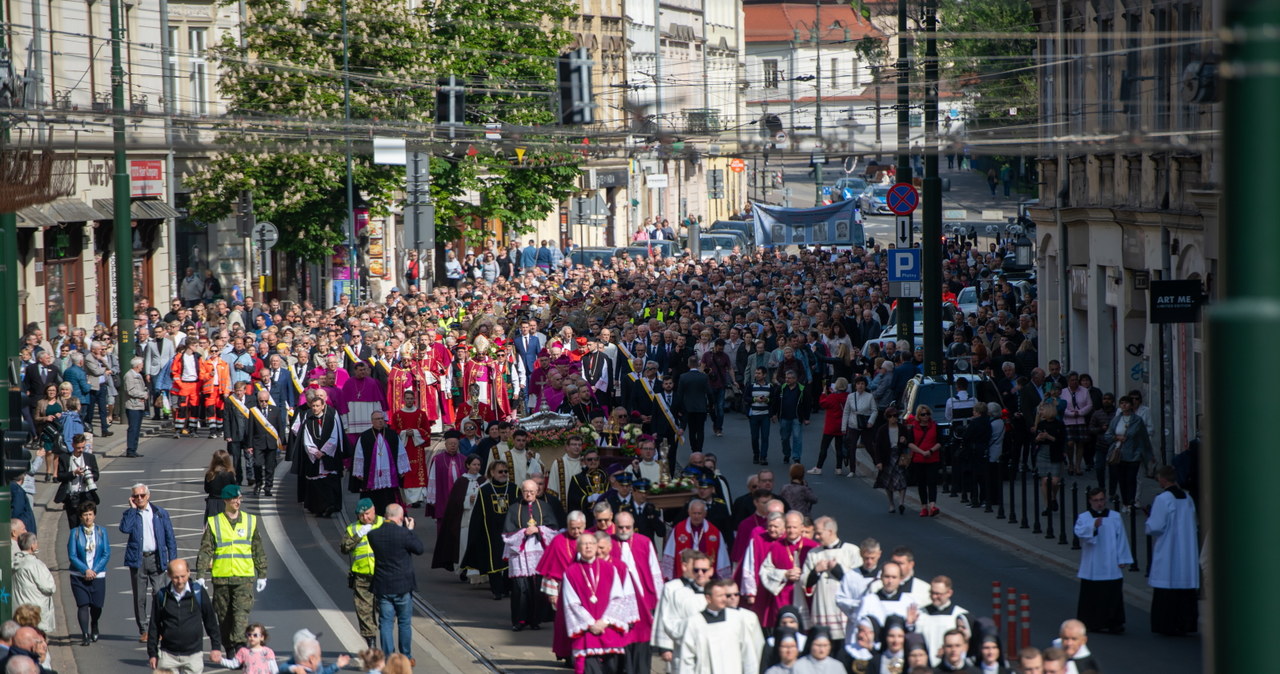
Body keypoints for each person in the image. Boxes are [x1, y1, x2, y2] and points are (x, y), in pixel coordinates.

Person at [196, 484, 268, 655]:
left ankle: (239, 647)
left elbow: (257, 548)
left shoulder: (250, 521)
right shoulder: (214, 522)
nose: (237, 501)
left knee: (241, 615)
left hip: (244, 577)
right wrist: (200, 576)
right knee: (224, 616)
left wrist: (262, 573)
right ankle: (228, 646)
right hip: (221, 577)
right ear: (225, 501)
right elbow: (206, 550)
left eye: (239, 498)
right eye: (234, 498)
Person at [561, 533, 636, 673]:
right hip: (586, 632)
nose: (588, 546)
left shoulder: (610, 569)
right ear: (578, 548)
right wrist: (591, 624)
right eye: (584, 544)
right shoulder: (571, 572)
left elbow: (618, 598)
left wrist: (605, 621)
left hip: (608, 629)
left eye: (591, 543)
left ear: (596, 547)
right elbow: (571, 604)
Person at [366, 504, 424, 665]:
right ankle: (405, 656)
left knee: (385, 622)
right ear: (400, 518)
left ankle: (388, 657)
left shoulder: (373, 535)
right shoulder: (404, 534)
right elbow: (419, 549)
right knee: (404, 622)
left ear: (385, 516)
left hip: (383, 586)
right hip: (403, 586)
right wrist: (410, 530)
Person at [1145, 465, 1200, 635]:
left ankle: (1166, 624)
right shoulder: (1187, 497)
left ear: (1163, 479)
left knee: (1167, 582)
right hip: (1186, 548)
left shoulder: (1163, 499)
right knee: (1184, 585)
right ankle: (1184, 623)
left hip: (1169, 547)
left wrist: (1148, 520)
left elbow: (1155, 527)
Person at [120, 483, 178, 643]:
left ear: (148, 496)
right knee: (139, 597)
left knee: (160, 594)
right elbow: (125, 529)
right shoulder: (131, 514)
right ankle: (144, 630)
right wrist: (132, 509)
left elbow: (170, 538)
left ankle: (158, 628)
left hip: (157, 558)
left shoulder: (159, 513)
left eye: (142, 495)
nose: (139, 499)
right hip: (138, 560)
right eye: (136, 496)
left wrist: (173, 560)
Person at [502, 479, 559, 632]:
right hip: (520, 555)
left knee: (536, 588)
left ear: (537, 492)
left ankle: (535, 620)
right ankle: (519, 621)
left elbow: (554, 530)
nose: (529, 494)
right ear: (522, 491)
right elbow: (507, 534)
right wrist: (523, 533)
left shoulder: (545, 507)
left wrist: (539, 530)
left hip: (539, 553)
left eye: (532, 492)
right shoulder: (514, 508)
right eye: (526, 491)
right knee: (520, 588)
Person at [1073, 487, 1132, 634]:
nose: (1099, 503)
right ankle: (1092, 623)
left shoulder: (1115, 516)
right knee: (1093, 595)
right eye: (1095, 500)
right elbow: (1079, 533)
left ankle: (1114, 623)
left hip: (1111, 562)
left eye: (1101, 500)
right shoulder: (1084, 518)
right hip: (1093, 563)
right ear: (1090, 501)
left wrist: (1123, 558)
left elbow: (1122, 538)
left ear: (1105, 500)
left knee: (1112, 594)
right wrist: (1093, 525)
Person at [147, 559, 222, 673]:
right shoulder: (162, 596)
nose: (180, 581)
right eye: (176, 577)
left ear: (188, 572)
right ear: (169, 575)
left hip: (193, 655)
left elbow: (210, 620)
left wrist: (216, 647)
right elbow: (154, 625)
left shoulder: (198, 593)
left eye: (183, 576)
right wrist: (152, 653)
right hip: (168, 655)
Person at [800, 517, 860, 651]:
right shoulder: (813, 553)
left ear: (830, 531)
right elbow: (804, 582)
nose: (816, 536)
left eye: (819, 533)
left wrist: (837, 569)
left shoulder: (851, 551)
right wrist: (816, 571)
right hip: (821, 607)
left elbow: (858, 583)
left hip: (843, 611)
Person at [678, 579, 763, 674]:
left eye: (724, 595)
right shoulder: (694, 623)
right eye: (720, 596)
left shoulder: (736, 619)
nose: (724, 599)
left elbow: (747, 653)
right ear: (708, 598)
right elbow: (686, 659)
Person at [461, 461, 517, 600]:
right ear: (492, 473)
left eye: (505, 471)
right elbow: (478, 514)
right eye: (500, 471)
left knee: (509, 562)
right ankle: (496, 590)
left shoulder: (514, 489)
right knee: (494, 561)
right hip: (490, 532)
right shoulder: (485, 490)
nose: (503, 474)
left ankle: (506, 588)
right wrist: (476, 534)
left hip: (510, 531)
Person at [290, 389, 347, 518]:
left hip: (328, 456)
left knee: (329, 481)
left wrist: (325, 451)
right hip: (314, 457)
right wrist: (315, 451)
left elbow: (335, 435)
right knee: (316, 484)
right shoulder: (308, 418)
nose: (315, 408)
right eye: (313, 406)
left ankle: (330, 506)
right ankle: (318, 508)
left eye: (317, 406)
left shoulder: (331, 415)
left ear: (323, 405)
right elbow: (306, 438)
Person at [340, 498, 383, 649]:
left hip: (382, 576)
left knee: (385, 611)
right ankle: (372, 645)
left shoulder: (383, 524)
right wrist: (359, 534)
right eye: (361, 515)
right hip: (362, 578)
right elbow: (344, 548)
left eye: (367, 514)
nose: (365, 518)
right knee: (364, 612)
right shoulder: (353, 529)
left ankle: (386, 643)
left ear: (374, 510)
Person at [351, 410, 411, 515]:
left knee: (389, 497)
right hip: (371, 476)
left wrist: (402, 469)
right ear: (372, 421)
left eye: (381, 419)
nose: (380, 421)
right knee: (373, 499)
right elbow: (359, 456)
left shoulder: (392, 435)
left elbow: (401, 452)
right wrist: (359, 472)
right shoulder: (365, 436)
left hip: (389, 476)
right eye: (377, 419)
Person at [67, 501, 110, 646]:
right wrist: (85, 569)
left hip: (98, 575)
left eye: (90, 514)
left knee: (97, 605)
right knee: (82, 604)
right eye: (85, 515)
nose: (88, 518)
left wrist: (95, 570)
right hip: (79, 576)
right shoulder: (75, 533)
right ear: (80, 517)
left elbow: (106, 553)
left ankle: (95, 623)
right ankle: (85, 634)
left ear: (94, 515)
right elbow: (72, 555)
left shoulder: (101, 531)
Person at [432, 453, 482, 574]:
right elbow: (454, 501)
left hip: (478, 518)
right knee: (464, 544)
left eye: (479, 465)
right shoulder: (461, 481)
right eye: (474, 464)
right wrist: (467, 500)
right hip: (464, 518)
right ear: (468, 465)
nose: (476, 467)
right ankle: (463, 569)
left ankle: (476, 571)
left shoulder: (483, 480)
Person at [1103, 394, 1154, 510]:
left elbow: (1144, 438)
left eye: (1126, 403)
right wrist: (1117, 438)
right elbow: (1108, 435)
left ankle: (1131, 502)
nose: (1124, 405)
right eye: (1121, 403)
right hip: (1119, 454)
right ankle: (1125, 502)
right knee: (1122, 479)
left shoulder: (1137, 420)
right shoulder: (1116, 419)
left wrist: (1149, 454)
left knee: (1131, 479)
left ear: (1131, 405)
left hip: (1134, 454)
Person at [916, 576, 971, 666]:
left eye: (938, 594)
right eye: (932, 593)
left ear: (949, 593)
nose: (934, 597)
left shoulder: (959, 615)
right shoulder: (921, 613)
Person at [12, 534, 55, 635]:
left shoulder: (14, 561)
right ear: (33, 546)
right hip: (35, 611)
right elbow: (48, 587)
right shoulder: (36, 565)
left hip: (19, 609)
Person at [248, 388, 288, 498]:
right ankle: (259, 483)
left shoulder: (275, 410)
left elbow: (280, 427)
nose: (264, 403)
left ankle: (268, 487)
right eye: (261, 401)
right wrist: (249, 445)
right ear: (258, 400)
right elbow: (250, 429)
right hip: (258, 443)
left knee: (270, 467)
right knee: (257, 464)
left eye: (266, 400)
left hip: (271, 443)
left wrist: (283, 442)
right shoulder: (254, 411)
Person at [55, 433, 100, 528]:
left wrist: (88, 477)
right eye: (78, 448)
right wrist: (74, 473)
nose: (81, 450)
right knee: (74, 524)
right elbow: (60, 476)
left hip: (86, 495)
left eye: (83, 447)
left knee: (87, 523)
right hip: (72, 495)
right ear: (73, 445)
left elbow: (96, 475)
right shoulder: (65, 458)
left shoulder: (89, 457)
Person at [874, 406, 910, 514]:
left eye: (895, 416)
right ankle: (891, 503)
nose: (893, 418)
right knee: (888, 481)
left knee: (901, 478)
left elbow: (909, 442)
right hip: (887, 456)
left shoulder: (902, 428)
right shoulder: (882, 430)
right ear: (887, 417)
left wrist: (904, 441)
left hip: (899, 455)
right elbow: (878, 447)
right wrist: (878, 461)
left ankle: (901, 503)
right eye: (890, 416)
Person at [907, 404, 942, 517]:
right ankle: (923, 507)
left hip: (933, 458)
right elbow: (910, 443)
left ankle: (932, 505)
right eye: (923, 414)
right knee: (921, 483)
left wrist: (931, 451)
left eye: (927, 414)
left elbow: (940, 441)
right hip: (919, 459)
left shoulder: (934, 426)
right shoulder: (913, 427)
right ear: (918, 416)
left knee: (932, 482)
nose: (926, 416)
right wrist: (921, 452)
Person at [674, 355, 711, 456]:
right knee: (700, 430)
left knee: (692, 430)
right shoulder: (704, 376)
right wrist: (710, 405)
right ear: (698, 364)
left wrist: (678, 408)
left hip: (688, 408)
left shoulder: (683, 377)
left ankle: (694, 450)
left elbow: (679, 394)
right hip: (701, 407)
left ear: (688, 364)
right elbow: (709, 392)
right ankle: (699, 449)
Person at [812, 378, 849, 476]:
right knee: (839, 447)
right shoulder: (848, 397)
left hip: (831, 425)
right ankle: (838, 468)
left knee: (824, 447)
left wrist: (824, 393)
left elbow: (823, 403)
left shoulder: (833, 397)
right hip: (842, 425)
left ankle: (818, 467)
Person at [775, 370, 810, 465]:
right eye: (786, 378)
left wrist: (806, 418)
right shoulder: (781, 388)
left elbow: (807, 404)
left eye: (789, 378)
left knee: (797, 438)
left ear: (795, 379)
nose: (787, 380)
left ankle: (796, 457)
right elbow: (776, 402)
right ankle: (787, 454)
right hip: (784, 417)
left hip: (796, 418)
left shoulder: (802, 389)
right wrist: (773, 414)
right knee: (784, 438)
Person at [223, 381, 254, 485]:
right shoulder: (229, 401)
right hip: (235, 434)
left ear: (245, 390)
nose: (239, 393)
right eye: (237, 391)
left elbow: (255, 417)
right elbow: (226, 418)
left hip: (248, 434)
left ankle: (250, 477)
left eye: (240, 391)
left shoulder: (251, 399)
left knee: (249, 457)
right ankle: (238, 478)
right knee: (236, 460)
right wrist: (227, 435)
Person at [124, 357, 148, 457]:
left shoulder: (138, 375)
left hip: (139, 405)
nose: (142, 366)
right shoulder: (129, 376)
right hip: (133, 406)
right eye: (142, 364)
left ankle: (134, 449)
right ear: (137, 365)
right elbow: (130, 391)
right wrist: (143, 395)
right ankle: (130, 450)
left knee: (137, 428)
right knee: (133, 428)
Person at [203, 450, 236, 518]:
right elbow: (234, 489)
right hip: (226, 502)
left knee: (212, 524)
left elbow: (207, 489)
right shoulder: (229, 474)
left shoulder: (210, 474)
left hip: (212, 502)